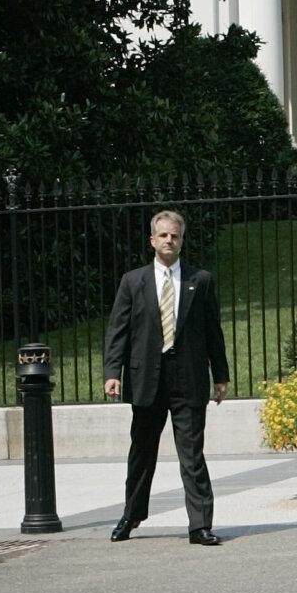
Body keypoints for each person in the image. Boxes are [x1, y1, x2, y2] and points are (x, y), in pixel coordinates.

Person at [102, 210, 230, 546]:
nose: (169, 241)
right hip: (147, 379)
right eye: (163, 235)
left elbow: (212, 331)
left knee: (191, 454)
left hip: (188, 378)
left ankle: (200, 525)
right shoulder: (133, 281)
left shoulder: (200, 279)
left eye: (175, 235)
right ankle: (130, 516)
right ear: (152, 241)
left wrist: (221, 375)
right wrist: (111, 373)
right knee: (141, 453)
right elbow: (118, 330)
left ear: (181, 239)